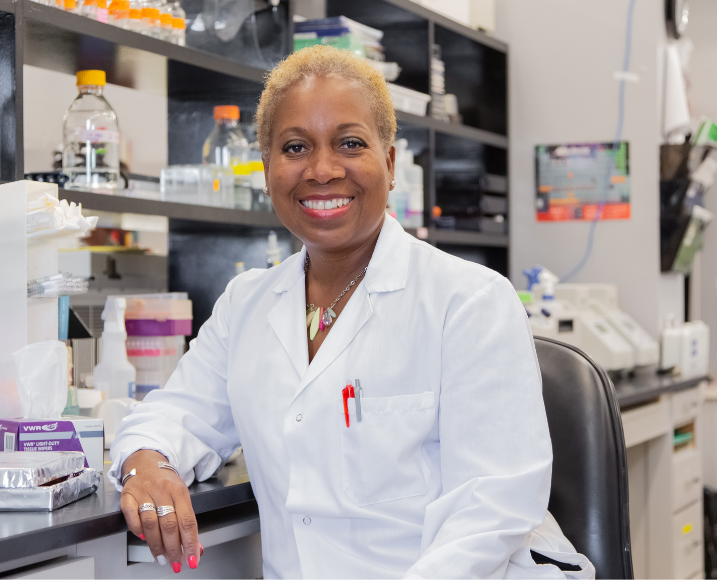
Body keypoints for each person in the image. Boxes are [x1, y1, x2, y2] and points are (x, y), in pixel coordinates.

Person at [109, 45, 593, 578]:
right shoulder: (246, 303)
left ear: (388, 162)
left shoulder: (468, 300)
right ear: (267, 167)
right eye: (295, 147)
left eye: (350, 143)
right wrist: (148, 466)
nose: (321, 170)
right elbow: (172, 414)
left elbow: (488, 513)